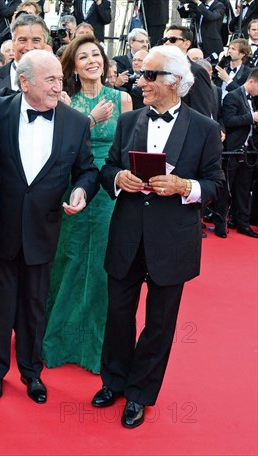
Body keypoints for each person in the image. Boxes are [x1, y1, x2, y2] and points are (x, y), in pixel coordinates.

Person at [91, 45, 225, 429]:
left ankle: (139, 393)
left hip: (173, 240)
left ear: (175, 82)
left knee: (160, 322)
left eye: (149, 75)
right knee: (117, 314)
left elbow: (215, 183)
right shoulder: (129, 120)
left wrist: (185, 185)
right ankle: (113, 381)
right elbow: (109, 167)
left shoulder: (203, 128)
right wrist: (118, 178)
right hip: (127, 234)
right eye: (141, 74)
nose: (140, 81)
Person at [0, 49, 99, 404]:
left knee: (35, 305)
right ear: (24, 82)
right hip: (0, 227)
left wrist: (80, 191)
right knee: (0, 303)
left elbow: (88, 171)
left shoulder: (76, 123)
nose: (57, 86)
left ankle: (32, 373)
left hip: (44, 229)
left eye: (59, 80)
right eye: (49, 80)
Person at [42, 35, 132, 375]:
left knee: (102, 266)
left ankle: (99, 348)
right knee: (69, 260)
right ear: (74, 66)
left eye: (96, 54)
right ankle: (59, 342)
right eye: (83, 56)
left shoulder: (123, 99)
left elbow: (127, 145)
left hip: (109, 189)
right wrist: (89, 119)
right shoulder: (67, 101)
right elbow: (61, 145)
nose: (92, 60)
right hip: (75, 185)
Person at [215, 68, 258, 238]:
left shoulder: (254, 100)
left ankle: (243, 224)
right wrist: (251, 117)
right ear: (252, 82)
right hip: (232, 151)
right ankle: (219, 223)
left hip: (249, 152)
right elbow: (229, 121)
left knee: (244, 190)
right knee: (226, 189)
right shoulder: (232, 96)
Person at [160, 25, 215, 119]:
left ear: (187, 44)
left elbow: (201, 112)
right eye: (165, 40)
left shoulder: (197, 71)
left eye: (172, 39)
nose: (167, 43)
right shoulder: (160, 68)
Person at [0, 13, 49, 92]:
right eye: (23, 40)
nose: (29, 47)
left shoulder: (54, 77)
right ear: (13, 42)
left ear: (45, 43)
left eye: (36, 40)